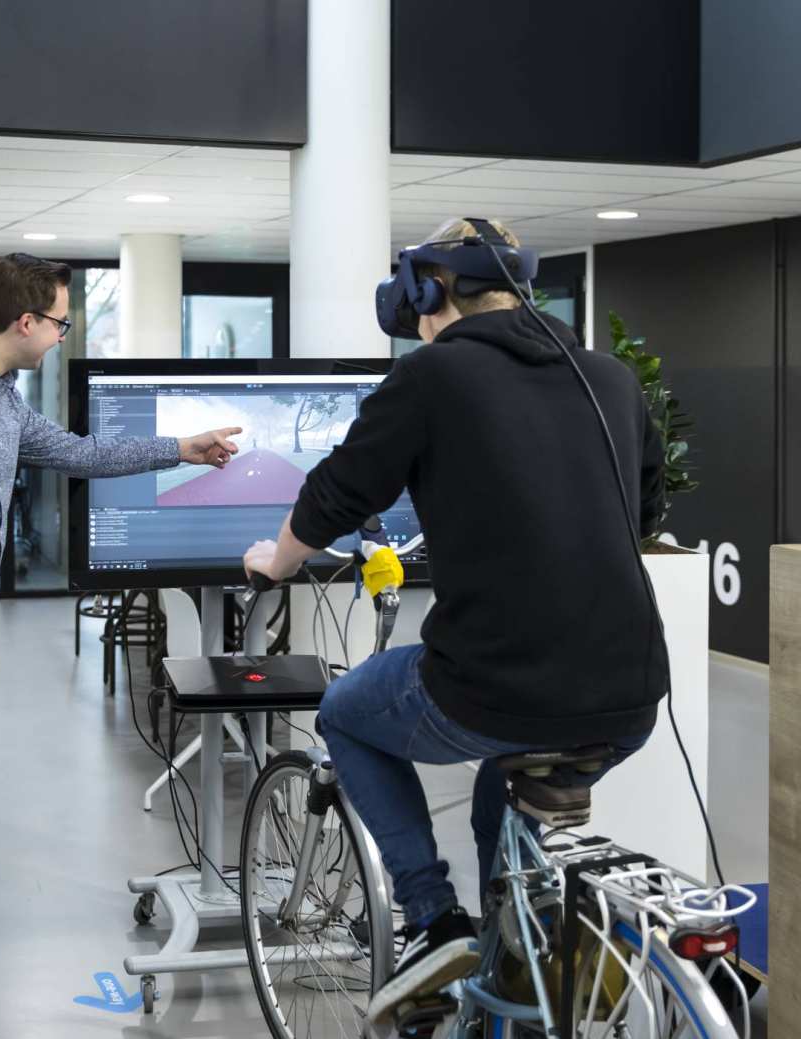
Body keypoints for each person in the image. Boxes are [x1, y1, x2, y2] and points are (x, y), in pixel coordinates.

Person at [243, 218, 666, 1024]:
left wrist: (280, 560)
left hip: (493, 687)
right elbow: (640, 509)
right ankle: (522, 958)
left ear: (429, 292)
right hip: (631, 695)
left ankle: (434, 920)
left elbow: (338, 491)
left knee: (346, 712)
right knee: (498, 791)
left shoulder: (432, 375)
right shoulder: (607, 376)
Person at [0, 253, 241, 1039]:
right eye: (60, 321)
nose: (63, 335)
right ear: (25, 322)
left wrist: (180, 449)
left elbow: (79, 454)